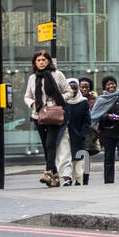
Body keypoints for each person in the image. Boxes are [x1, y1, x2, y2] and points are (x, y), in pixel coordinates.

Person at [23, 49, 70, 187]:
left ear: (48, 61)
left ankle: (48, 172)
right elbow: (27, 96)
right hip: (38, 115)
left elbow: (68, 92)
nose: (41, 62)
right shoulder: (33, 78)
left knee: (50, 143)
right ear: (35, 63)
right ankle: (55, 177)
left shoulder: (57, 75)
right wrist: (32, 104)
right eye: (38, 60)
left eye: (43, 60)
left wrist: (58, 100)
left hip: (54, 114)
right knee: (45, 146)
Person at [91, 75, 119, 184]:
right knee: (108, 157)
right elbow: (96, 116)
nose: (111, 86)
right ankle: (108, 181)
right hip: (107, 132)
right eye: (108, 84)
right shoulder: (101, 100)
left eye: (112, 83)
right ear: (104, 87)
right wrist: (108, 116)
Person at [58, 78, 92, 186]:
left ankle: (79, 179)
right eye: (70, 88)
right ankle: (67, 178)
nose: (73, 91)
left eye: (75, 88)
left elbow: (87, 121)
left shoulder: (83, 102)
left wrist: (82, 133)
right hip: (64, 133)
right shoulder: (61, 101)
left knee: (79, 158)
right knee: (65, 156)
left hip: (78, 134)